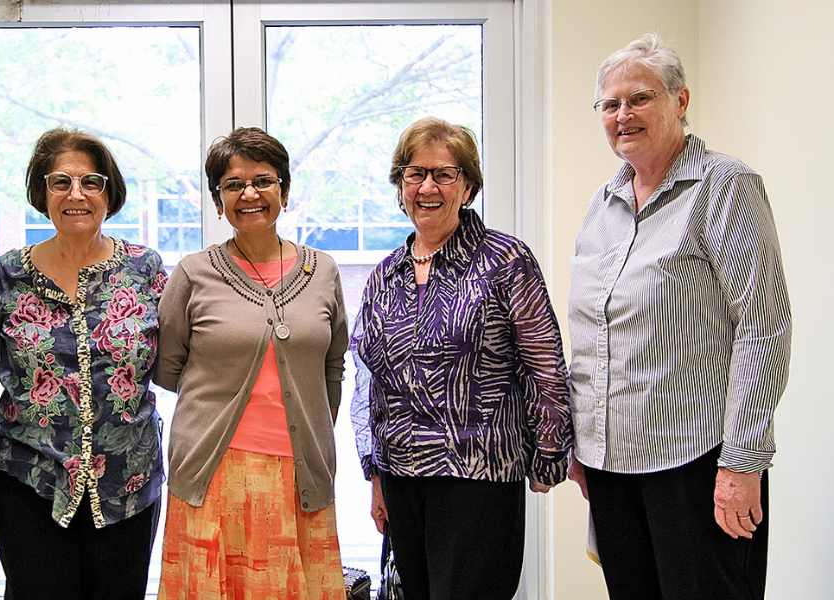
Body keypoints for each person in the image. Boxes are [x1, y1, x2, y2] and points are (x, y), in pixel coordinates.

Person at [566, 33, 792, 600]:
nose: (623, 115)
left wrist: (743, 462)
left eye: (639, 98)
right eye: (610, 104)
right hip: (613, 466)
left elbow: (762, 330)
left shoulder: (725, 186)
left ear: (680, 101)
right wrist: (582, 439)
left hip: (698, 462)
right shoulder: (603, 204)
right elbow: (594, 331)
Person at [350, 116, 572, 599]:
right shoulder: (384, 277)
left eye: (444, 174)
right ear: (401, 184)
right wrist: (375, 475)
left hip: (480, 474)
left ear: (467, 186)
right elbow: (369, 384)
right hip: (403, 479)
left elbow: (544, 362)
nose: (427, 187)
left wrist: (550, 454)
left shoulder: (505, 260)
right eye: (415, 173)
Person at [154, 127, 349, 599]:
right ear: (218, 201)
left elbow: (333, 365)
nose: (249, 194)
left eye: (262, 180)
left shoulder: (321, 270)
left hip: (300, 471)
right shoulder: (193, 272)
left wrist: (309, 426)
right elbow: (169, 366)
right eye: (233, 184)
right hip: (212, 469)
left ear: (283, 189)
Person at [0, 127, 166, 600]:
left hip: (127, 482)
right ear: (42, 194)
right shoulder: (8, 274)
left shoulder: (145, 268)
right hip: (29, 479)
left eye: (91, 182)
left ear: (110, 193)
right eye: (60, 182)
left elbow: (181, 359)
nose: (76, 195)